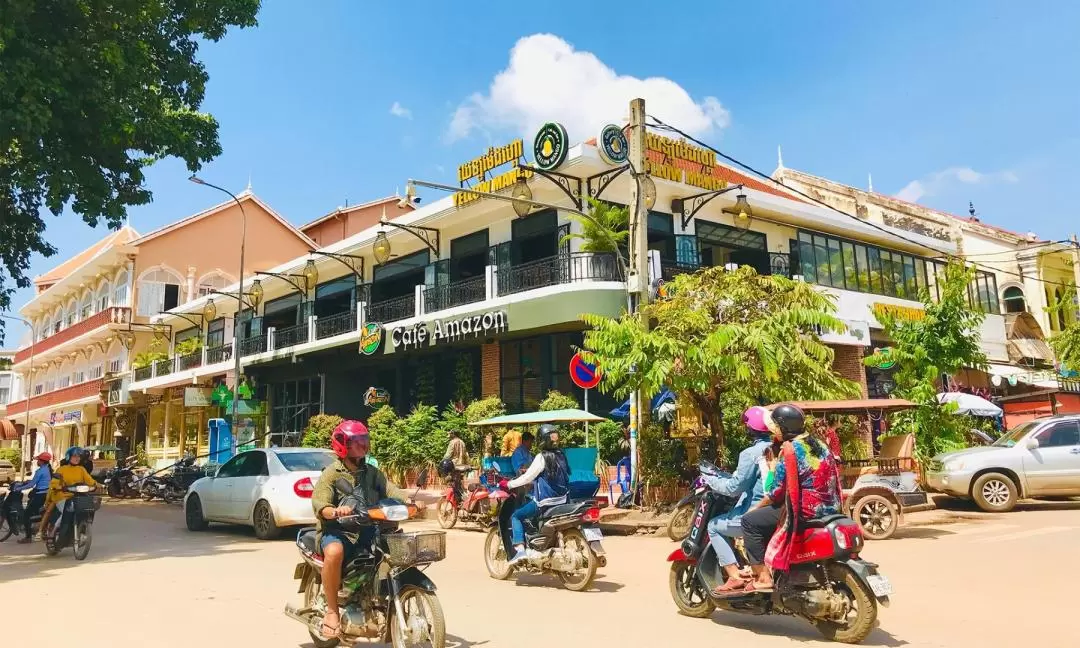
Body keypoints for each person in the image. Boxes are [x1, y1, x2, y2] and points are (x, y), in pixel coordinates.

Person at [310, 419, 424, 640]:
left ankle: (377, 598)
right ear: (343, 444)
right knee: (334, 552)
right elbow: (320, 503)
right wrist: (332, 511)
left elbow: (390, 489)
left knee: (394, 550)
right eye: (357, 441)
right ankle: (332, 611)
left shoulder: (371, 472)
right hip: (338, 532)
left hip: (368, 529)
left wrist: (410, 502)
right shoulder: (332, 474)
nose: (363, 445)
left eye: (364, 440)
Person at [741, 404, 841, 593]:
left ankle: (762, 577)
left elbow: (775, 493)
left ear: (783, 428)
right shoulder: (820, 445)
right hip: (831, 507)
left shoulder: (790, 450)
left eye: (776, 428)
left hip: (804, 510)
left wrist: (754, 508)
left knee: (749, 521)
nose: (775, 432)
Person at [706, 406, 774, 595]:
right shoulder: (777, 447)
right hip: (775, 509)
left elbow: (734, 488)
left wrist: (710, 480)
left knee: (713, 526)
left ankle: (734, 576)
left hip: (755, 511)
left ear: (749, 429)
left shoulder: (750, 453)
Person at [504, 424, 569, 565]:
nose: (532, 443)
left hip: (545, 502)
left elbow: (527, 477)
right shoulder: (561, 455)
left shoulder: (541, 457)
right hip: (563, 501)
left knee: (516, 516)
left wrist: (509, 484)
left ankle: (520, 550)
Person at [42, 446, 97, 539]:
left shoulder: (81, 469)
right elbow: (54, 482)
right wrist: (59, 487)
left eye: (79, 456)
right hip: (62, 496)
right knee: (66, 511)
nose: (77, 458)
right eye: (74, 456)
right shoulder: (62, 469)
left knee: (87, 508)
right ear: (69, 457)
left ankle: (81, 529)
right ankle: (53, 531)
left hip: (76, 496)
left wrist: (97, 485)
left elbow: (90, 481)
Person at [11, 452, 52, 543]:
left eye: (38, 460)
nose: (37, 462)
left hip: (40, 495)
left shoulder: (40, 471)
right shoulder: (47, 469)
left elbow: (32, 484)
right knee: (38, 513)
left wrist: (18, 488)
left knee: (26, 515)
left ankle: (28, 537)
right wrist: (26, 482)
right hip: (45, 494)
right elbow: (35, 482)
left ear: (42, 461)